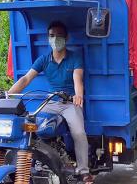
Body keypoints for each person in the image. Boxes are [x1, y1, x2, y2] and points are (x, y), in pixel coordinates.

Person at [7, 21, 94, 183]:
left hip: (69, 103)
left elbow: (78, 79)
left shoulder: (74, 57)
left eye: (59, 35)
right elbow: (26, 79)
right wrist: (8, 94)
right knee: (31, 127)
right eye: (52, 36)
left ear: (66, 38)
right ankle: (30, 164)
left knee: (79, 133)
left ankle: (83, 170)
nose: (55, 39)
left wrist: (78, 95)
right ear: (48, 38)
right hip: (50, 102)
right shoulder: (44, 59)